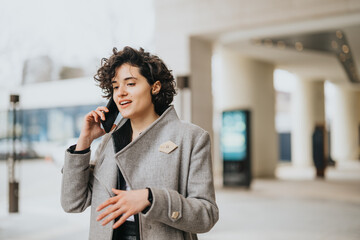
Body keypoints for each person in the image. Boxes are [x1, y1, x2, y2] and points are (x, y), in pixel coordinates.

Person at [61, 46, 219, 240]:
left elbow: (206, 215)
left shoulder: (191, 138)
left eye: (130, 84)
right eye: (116, 86)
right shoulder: (110, 141)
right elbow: (73, 203)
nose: (120, 93)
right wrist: (84, 142)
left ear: (155, 87)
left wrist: (150, 198)